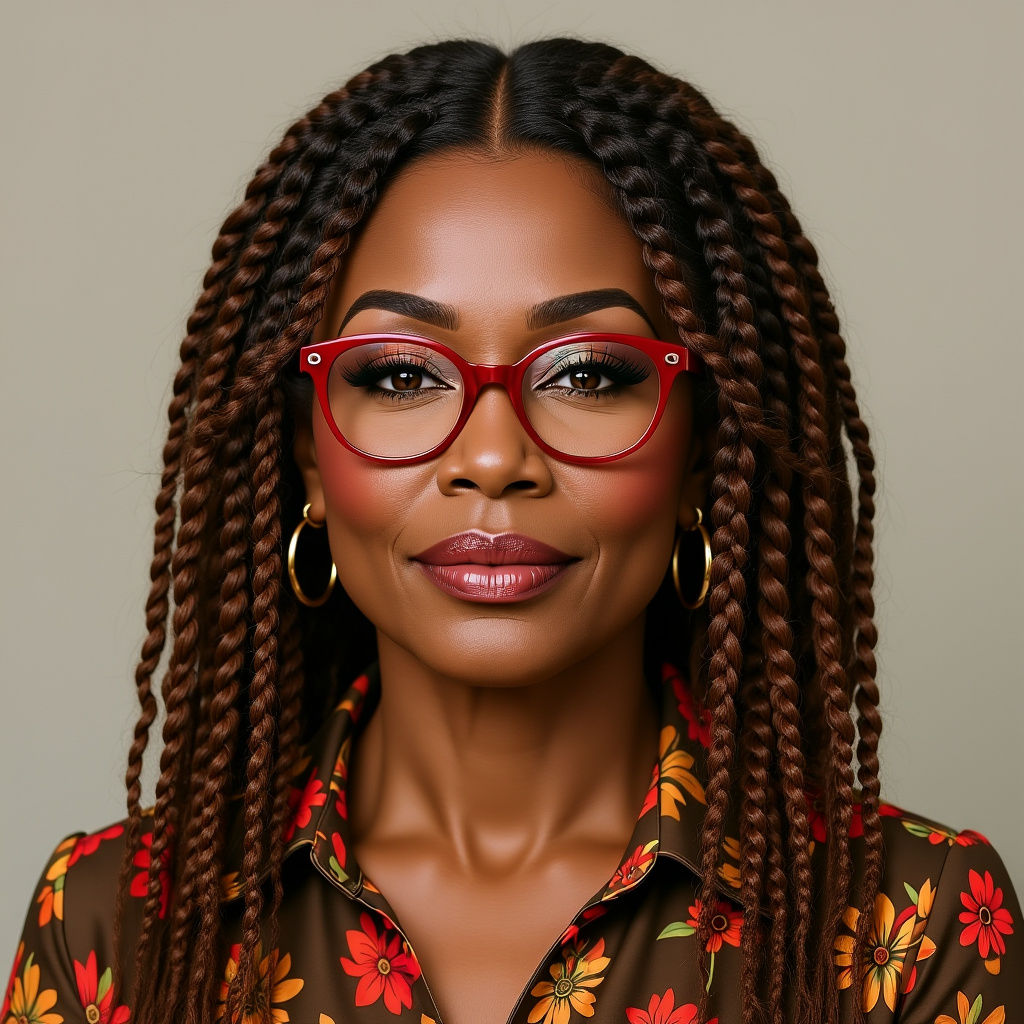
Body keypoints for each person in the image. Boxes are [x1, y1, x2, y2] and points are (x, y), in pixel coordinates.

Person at [2, 36, 1019, 1024]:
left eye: (588, 374)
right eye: (398, 374)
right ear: (308, 456)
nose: (492, 456)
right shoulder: (115, 924)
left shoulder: (910, 926)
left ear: (704, 454)